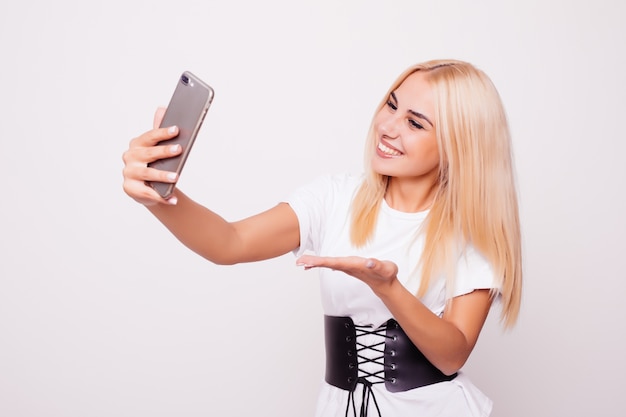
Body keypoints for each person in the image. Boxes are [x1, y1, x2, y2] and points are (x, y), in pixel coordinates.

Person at [122, 59, 522, 417]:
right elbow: (230, 243)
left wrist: (389, 288)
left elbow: (452, 355)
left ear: (459, 146)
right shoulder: (334, 198)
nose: (387, 126)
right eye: (392, 105)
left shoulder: (470, 232)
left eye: (415, 123)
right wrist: (157, 195)